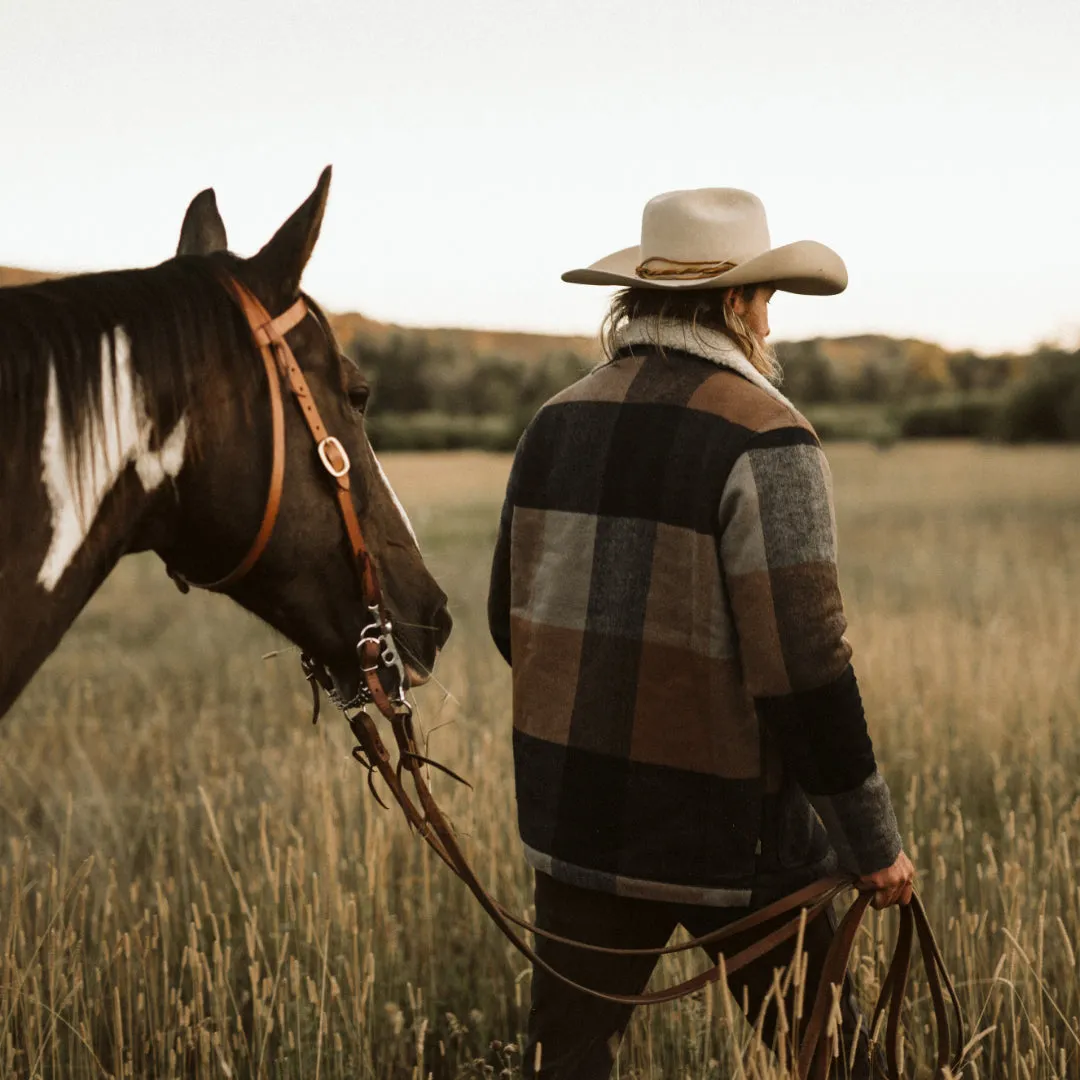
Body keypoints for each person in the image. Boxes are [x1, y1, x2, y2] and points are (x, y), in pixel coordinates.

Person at [487, 188, 915, 1079]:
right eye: (767, 301)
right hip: (735, 833)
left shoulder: (551, 425)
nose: (771, 323)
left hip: (579, 820)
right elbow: (805, 672)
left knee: (562, 1063)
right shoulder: (769, 435)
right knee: (831, 1062)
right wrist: (872, 844)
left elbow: (510, 623)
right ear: (733, 305)